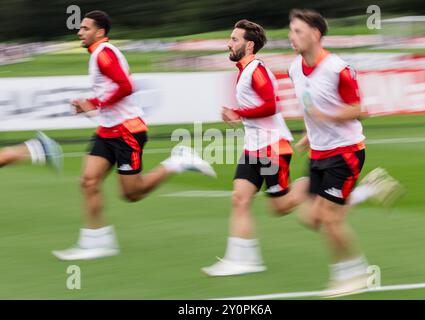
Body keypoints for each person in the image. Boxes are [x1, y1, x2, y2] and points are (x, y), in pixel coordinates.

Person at [200, 19, 401, 277]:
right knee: (240, 198)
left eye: (234, 39)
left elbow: (271, 105)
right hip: (254, 146)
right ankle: (242, 258)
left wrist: (237, 113)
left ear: (249, 46)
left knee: (284, 208)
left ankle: (359, 191)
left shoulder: (256, 70)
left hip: (271, 146)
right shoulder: (244, 70)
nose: (229, 43)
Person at [52, 10, 216, 261]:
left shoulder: (103, 53)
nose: (79, 32)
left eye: (85, 28)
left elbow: (126, 86)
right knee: (88, 182)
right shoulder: (99, 53)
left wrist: (93, 102)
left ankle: (178, 161)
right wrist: (90, 103)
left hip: (127, 131)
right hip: (108, 130)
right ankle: (96, 243)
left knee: (132, 194)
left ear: (100, 32)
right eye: (81, 28)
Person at [287, 8, 398, 297]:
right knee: (310, 218)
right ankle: (369, 189)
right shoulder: (293, 68)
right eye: (291, 30)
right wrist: (309, 135)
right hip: (319, 153)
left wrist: (330, 117)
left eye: (297, 31)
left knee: (328, 217)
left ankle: (354, 274)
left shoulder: (338, 69)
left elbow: (360, 110)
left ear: (315, 34)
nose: (291, 36)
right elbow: (310, 108)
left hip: (346, 151)